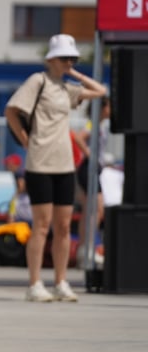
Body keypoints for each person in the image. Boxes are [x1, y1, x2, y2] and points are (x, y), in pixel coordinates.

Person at [5, 33, 107, 302]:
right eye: (64, 58)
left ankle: (61, 281)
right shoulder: (37, 81)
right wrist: (26, 140)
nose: (68, 62)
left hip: (65, 164)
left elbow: (101, 91)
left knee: (63, 226)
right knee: (41, 226)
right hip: (40, 162)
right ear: (51, 59)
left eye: (72, 58)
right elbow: (11, 111)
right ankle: (34, 284)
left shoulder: (67, 88)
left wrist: (76, 74)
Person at [74, 96, 111, 251]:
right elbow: (78, 137)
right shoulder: (92, 124)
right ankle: (86, 245)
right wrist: (90, 154)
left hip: (94, 169)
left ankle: (84, 245)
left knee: (90, 210)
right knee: (96, 209)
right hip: (88, 168)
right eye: (108, 107)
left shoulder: (100, 125)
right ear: (102, 108)